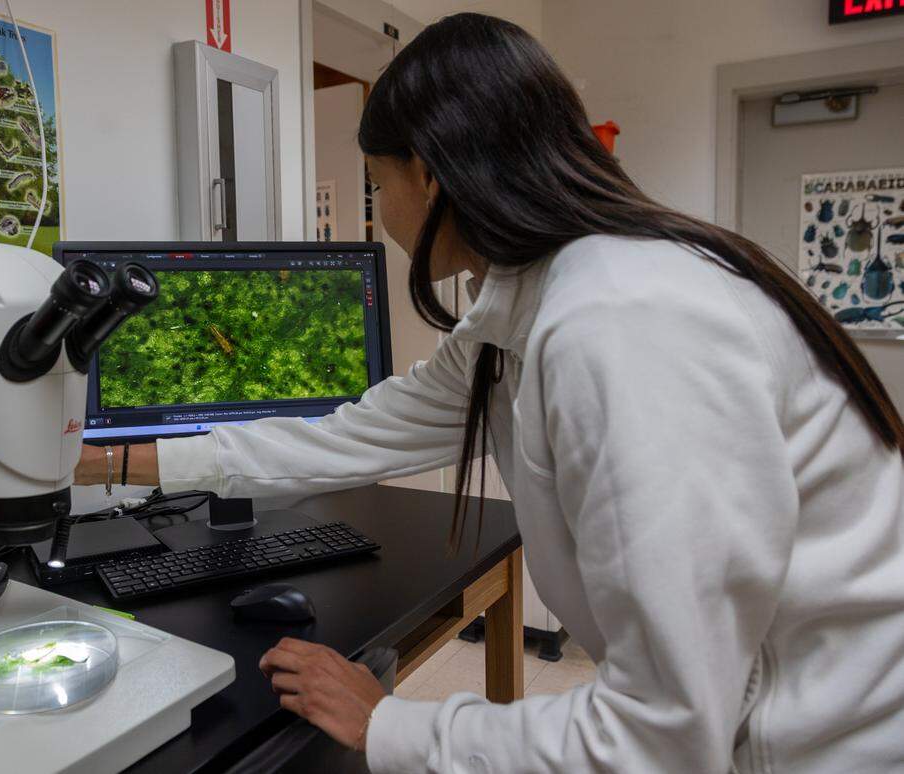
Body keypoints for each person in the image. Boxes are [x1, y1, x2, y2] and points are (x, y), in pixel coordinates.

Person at [76, 13, 904, 773]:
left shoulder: (620, 325)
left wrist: (391, 726)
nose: (382, 212)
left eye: (377, 186)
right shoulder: (532, 301)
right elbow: (347, 433)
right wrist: (103, 462)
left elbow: (660, 740)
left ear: (428, 177)